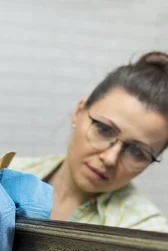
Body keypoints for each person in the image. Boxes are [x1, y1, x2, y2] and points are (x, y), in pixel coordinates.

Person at [10, 51, 168, 232]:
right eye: (104, 129)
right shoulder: (10, 174)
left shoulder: (144, 230)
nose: (110, 159)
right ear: (79, 112)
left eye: (137, 152)